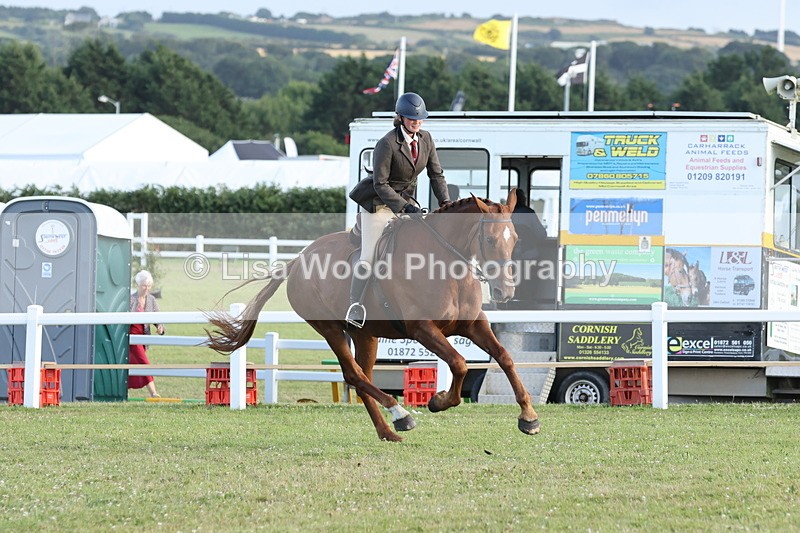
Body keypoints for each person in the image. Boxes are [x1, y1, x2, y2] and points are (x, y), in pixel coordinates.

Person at [346, 92, 451, 327]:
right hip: (379, 204)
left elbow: (437, 175)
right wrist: (405, 207)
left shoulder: (426, 139)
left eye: (420, 118)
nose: (416, 122)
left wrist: (446, 203)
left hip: (406, 203)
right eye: (411, 118)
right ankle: (355, 305)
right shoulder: (387, 143)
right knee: (369, 257)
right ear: (400, 118)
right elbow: (380, 184)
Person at [128, 270, 164, 398]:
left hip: (144, 338)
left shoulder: (151, 300)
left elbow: (157, 317)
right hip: (132, 336)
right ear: (138, 285)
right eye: (144, 285)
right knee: (145, 363)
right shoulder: (130, 299)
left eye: (149, 286)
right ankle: (154, 393)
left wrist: (160, 326)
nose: (147, 288)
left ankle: (123, 390)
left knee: (133, 364)